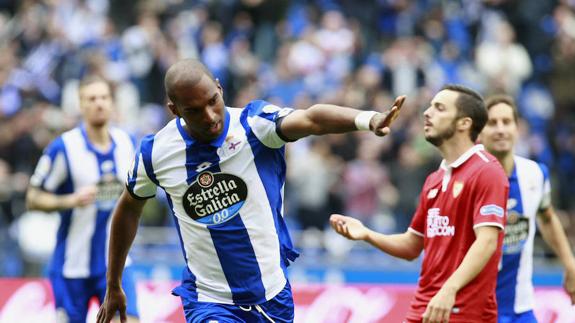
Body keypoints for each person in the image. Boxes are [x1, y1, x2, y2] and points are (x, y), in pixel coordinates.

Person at [96, 58, 406, 323]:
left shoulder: (254, 124)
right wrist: (114, 283)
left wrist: (368, 119)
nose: (210, 116)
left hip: (272, 292)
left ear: (219, 87)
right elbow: (128, 208)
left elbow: (311, 119)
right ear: (173, 109)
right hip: (209, 298)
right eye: (194, 110)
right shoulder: (156, 153)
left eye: (212, 101)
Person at [330, 84, 509, 323]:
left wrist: (449, 289)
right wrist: (366, 234)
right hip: (423, 311)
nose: (427, 112)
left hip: (464, 314)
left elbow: (487, 242)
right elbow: (412, 245)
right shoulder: (434, 180)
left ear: (463, 123)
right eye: (429, 106)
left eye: (439, 108)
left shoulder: (486, 171)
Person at [26, 75, 140, 323]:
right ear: (81, 105)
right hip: (71, 265)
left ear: (112, 103)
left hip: (117, 264)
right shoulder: (63, 148)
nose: (98, 103)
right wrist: (70, 201)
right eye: (91, 98)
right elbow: (32, 198)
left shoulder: (128, 144)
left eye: (104, 98)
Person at [479, 95, 575, 323]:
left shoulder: (535, 174)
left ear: (518, 127)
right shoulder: (470, 178)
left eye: (506, 121)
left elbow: (548, 218)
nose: (501, 129)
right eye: (492, 123)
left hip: (521, 309)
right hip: (477, 310)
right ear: (479, 132)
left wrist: (569, 263)